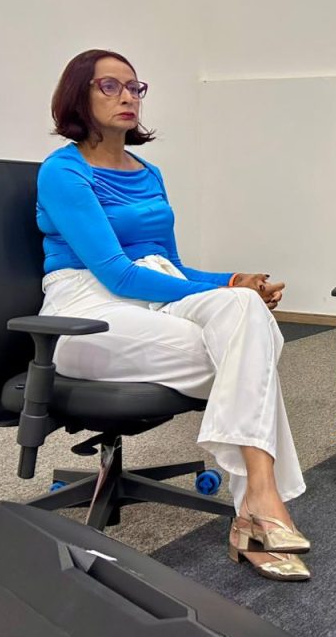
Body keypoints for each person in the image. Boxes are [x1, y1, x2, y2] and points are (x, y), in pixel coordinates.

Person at [37, 49, 310, 580]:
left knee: (245, 313)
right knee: (245, 354)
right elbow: (117, 274)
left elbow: (174, 269)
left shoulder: (149, 170)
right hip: (85, 309)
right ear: (78, 96)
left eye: (135, 88)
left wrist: (233, 283)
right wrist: (225, 287)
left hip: (157, 294)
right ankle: (257, 513)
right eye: (109, 87)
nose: (126, 98)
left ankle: (258, 497)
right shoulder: (62, 172)